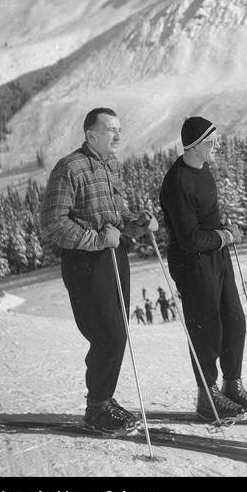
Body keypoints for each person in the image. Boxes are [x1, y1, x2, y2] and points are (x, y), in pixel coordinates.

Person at [40, 107, 152, 436]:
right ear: (91, 135)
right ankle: (96, 409)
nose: (118, 135)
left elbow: (116, 211)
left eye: (119, 129)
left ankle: (104, 400)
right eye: (110, 130)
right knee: (109, 335)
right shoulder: (69, 167)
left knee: (118, 333)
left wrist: (135, 222)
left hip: (114, 257)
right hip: (85, 262)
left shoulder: (109, 164)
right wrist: (98, 238)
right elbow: (52, 223)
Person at [159, 116, 247, 422]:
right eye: (211, 142)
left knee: (234, 320)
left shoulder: (203, 169)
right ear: (193, 146)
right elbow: (190, 238)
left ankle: (232, 386)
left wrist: (225, 230)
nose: (216, 146)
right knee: (207, 329)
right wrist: (225, 236)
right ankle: (208, 396)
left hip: (216, 256)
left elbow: (207, 221)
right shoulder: (177, 181)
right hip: (192, 262)